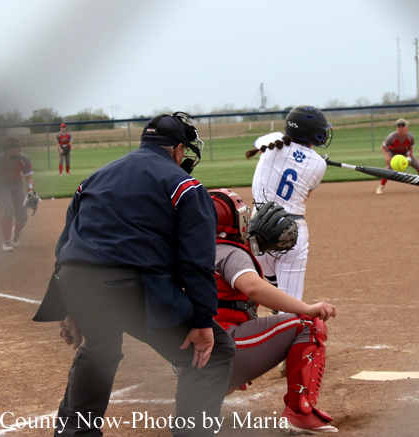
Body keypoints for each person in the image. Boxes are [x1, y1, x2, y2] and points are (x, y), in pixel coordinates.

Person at [33, 112, 236, 437]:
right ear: (176, 150)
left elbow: (66, 245)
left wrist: (66, 304)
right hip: (126, 284)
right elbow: (197, 261)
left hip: (74, 279)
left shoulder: (95, 178)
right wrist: (201, 320)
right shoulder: (185, 186)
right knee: (216, 353)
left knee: (100, 347)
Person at [209, 188, 338, 434]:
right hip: (222, 350)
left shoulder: (191, 249)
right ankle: (300, 413)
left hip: (192, 353)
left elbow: (250, 289)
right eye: (241, 215)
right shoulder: (231, 253)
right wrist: (306, 308)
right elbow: (253, 288)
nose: (246, 220)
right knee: (308, 325)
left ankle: (202, 399)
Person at [245, 105, 332, 301]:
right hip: (292, 231)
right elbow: (305, 195)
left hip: (258, 229)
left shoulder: (273, 142)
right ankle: (285, 313)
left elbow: (262, 145)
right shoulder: (319, 164)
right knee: (291, 307)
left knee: (271, 282)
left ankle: (274, 291)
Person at [0, 137, 35, 252]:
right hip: (0, 185)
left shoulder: (24, 159)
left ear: (19, 148)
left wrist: (30, 192)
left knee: (23, 217)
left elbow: (29, 179)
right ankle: (6, 242)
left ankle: (16, 234)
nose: (14, 150)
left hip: (17, 185)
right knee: (8, 208)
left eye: (16, 147)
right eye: (10, 148)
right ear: (5, 150)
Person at [376, 118, 419, 195]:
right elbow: (383, 147)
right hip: (392, 153)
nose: (400, 128)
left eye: (402, 126)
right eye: (399, 126)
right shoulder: (392, 137)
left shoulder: (410, 137)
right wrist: (387, 156)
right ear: (396, 128)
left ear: (406, 128)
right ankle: (381, 186)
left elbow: (410, 148)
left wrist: (408, 156)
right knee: (389, 168)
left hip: (404, 153)